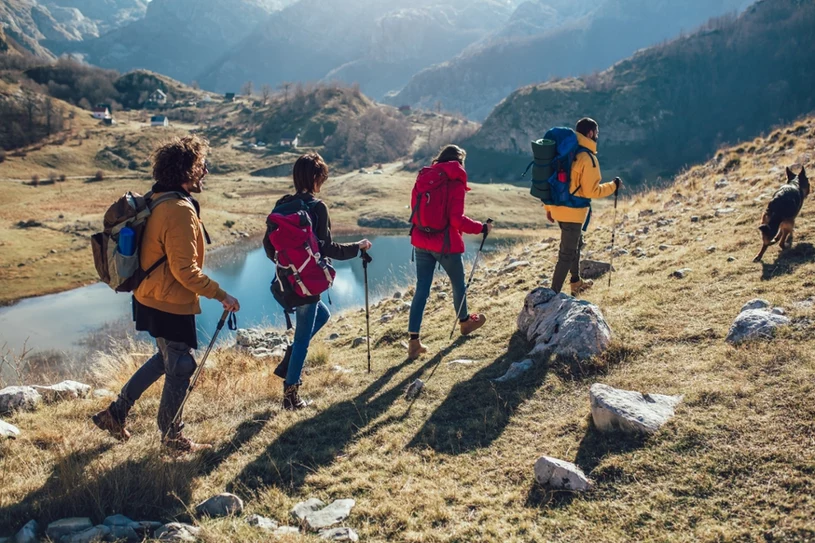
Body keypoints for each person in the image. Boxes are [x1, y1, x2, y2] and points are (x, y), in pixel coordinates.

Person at [92, 135, 241, 453]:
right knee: (182, 365)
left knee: (166, 359)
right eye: (201, 166)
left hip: (150, 296)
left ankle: (115, 414)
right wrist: (221, 294)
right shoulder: (178, 210)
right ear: (187, 171)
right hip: (169, 302)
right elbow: (185, 271)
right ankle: (172, 438)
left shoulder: (158, 198)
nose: (205, 173)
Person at [265, 152, 371, 410]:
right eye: (321, 177)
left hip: (287, 282)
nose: (322, 181)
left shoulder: (281, 204)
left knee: (321, 316)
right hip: (308, 284)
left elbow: (270, 249)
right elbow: (327, 249)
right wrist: (358, 247)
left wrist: (292, 267)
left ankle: (291, 359)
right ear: (315, 177)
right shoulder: (317, 207)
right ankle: (291, 397)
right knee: (302, 339)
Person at [407, 144, 493, 360]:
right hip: (444, 244)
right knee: (458, 284)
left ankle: (414, 342)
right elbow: (456, 220)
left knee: (421, 290)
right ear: (459, 162)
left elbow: (414, 209)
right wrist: (481, 227)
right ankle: (465, 323)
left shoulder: (424, 177)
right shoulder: (454, 183)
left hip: (421, 241)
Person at [545, 118, 621, 295]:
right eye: (596, 133)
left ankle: (576, 282)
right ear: (590, 133)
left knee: (575, 245)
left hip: (558, 207)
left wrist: (548, 207)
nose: (597, 136)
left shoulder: (565, 152)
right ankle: (551, 295)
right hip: (573, 212)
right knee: (566, 254)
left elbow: (551, 180)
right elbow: (591, 191)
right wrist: (613, 186)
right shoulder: (588, 158)